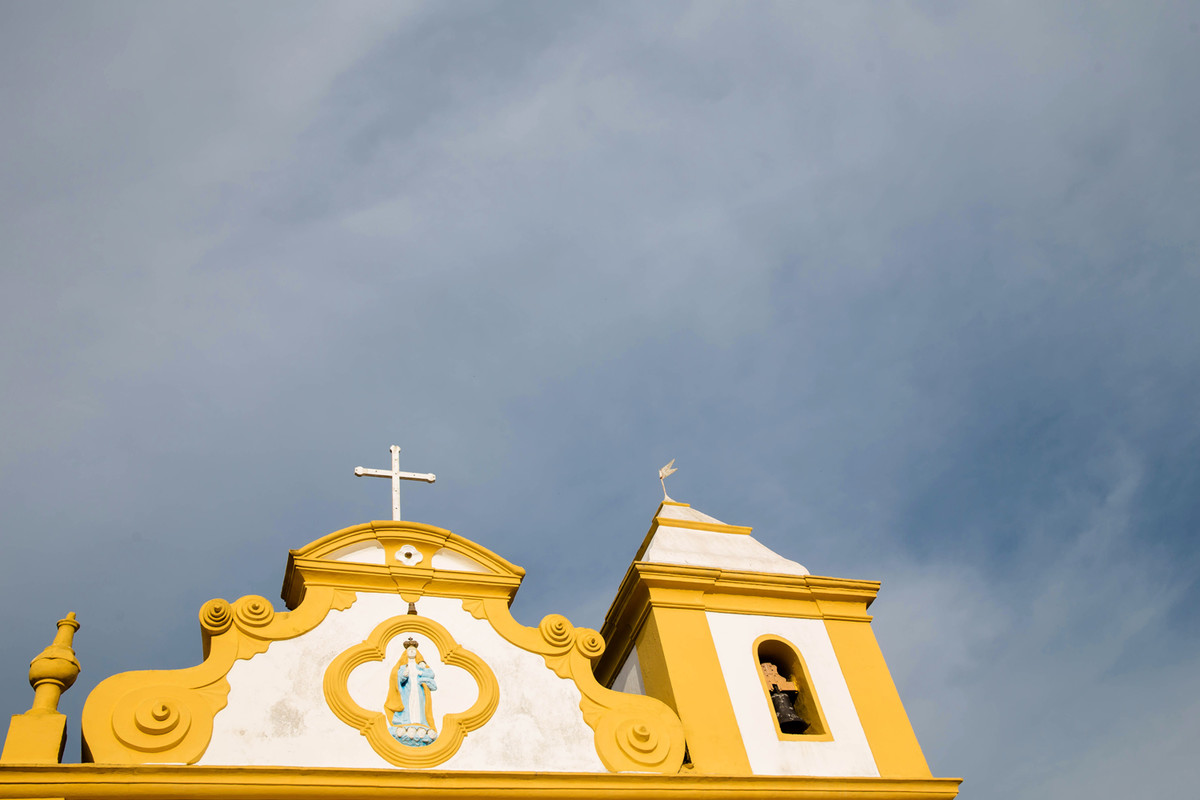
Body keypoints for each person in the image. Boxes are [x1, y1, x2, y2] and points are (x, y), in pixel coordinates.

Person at [384, 637, 438, 746]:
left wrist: (422, 671)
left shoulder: (421, 666)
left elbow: (430, 674)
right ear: (406, 653)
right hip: (407, 692)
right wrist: (404, 675)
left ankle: (420, 722)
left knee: (419, 706)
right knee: (408, 706)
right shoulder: (403, 666)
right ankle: (407, 723)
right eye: (410, 650)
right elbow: (398, 678)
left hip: (418, 691)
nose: (412, 652)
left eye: (414, 650)